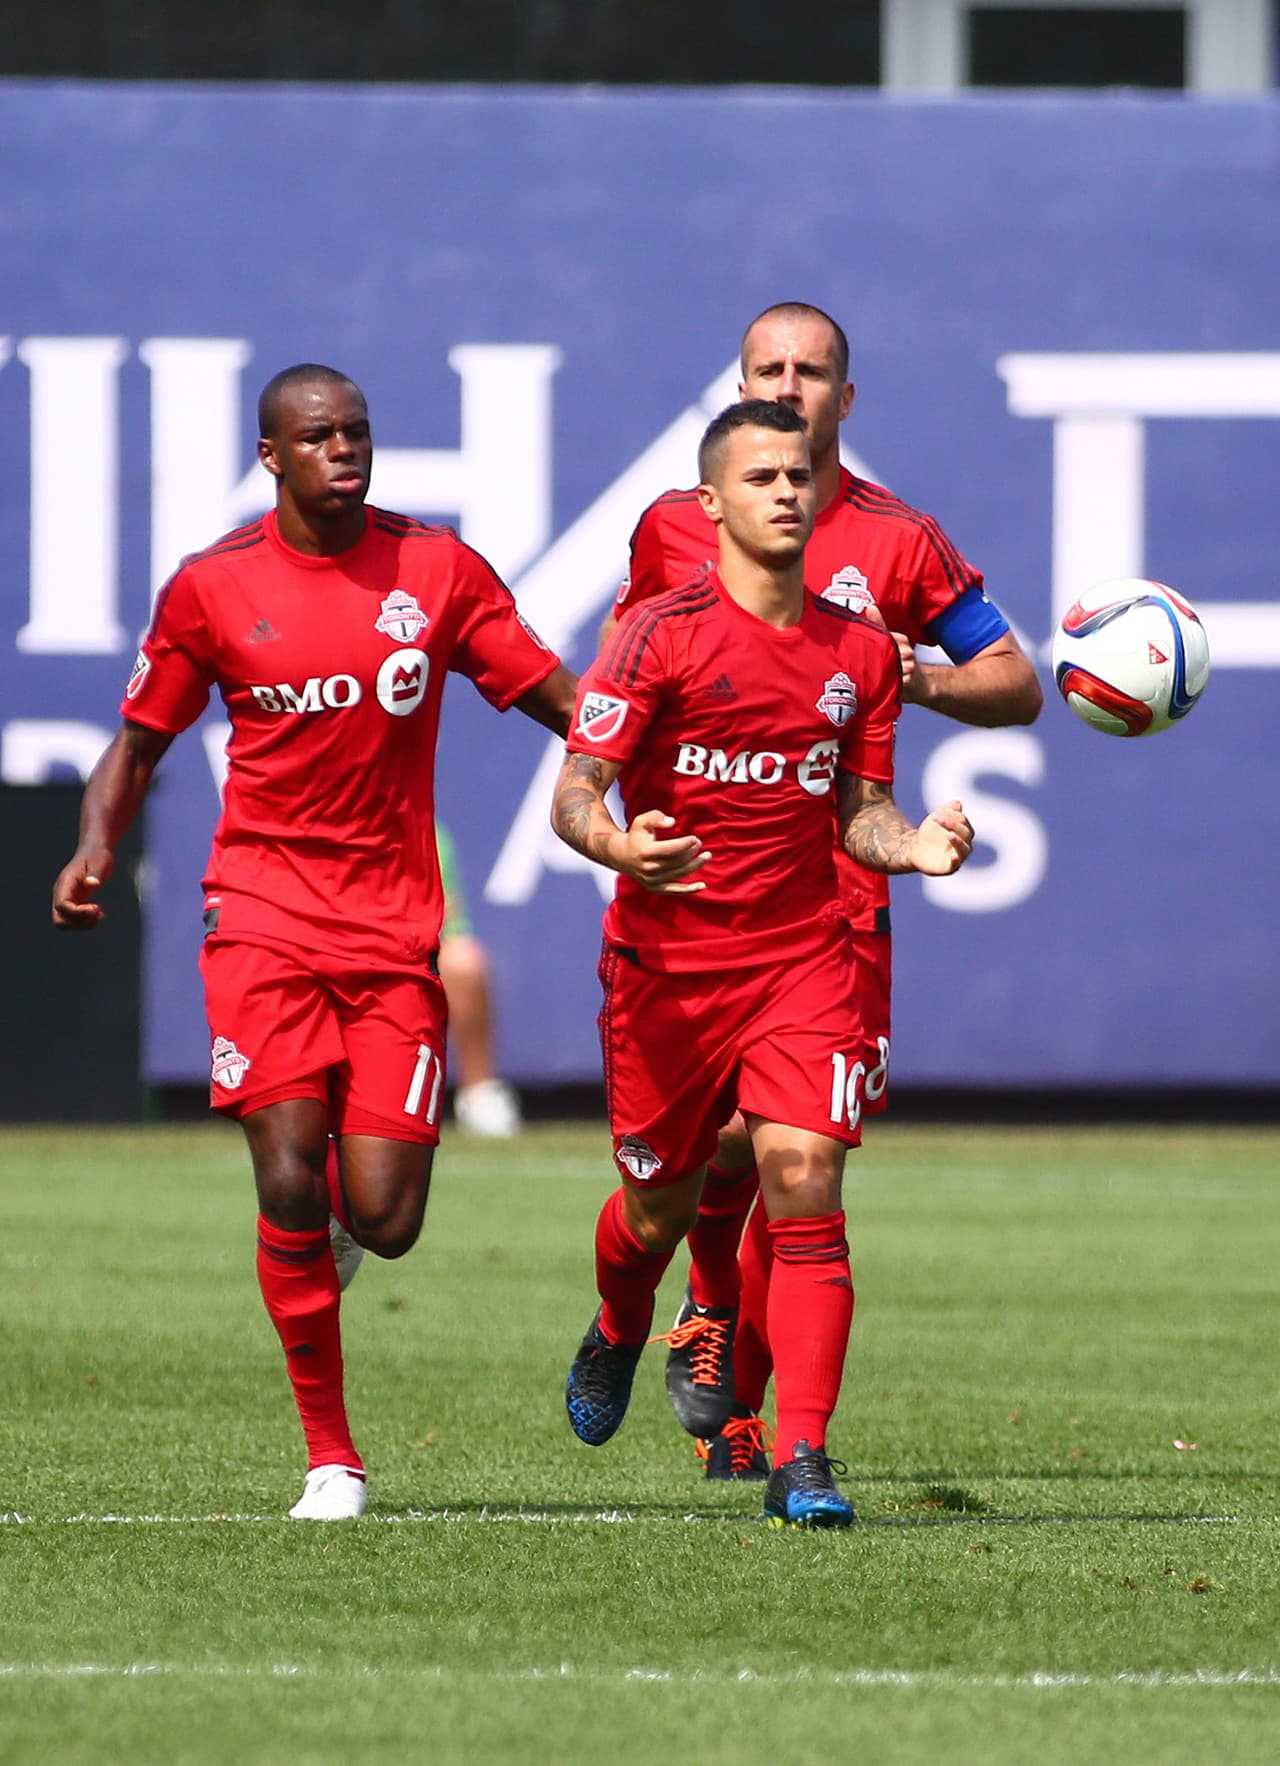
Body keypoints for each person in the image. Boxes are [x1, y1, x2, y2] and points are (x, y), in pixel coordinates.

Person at [52, 364, 576, 1520]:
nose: (346, 449)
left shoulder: (434, 570)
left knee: (383, 1219)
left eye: (358, 432)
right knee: (286, 1167)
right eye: (319, 435)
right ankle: (331, 1456)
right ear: (271, 455)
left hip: (394, 928)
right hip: (261, 913)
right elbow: (137, 742)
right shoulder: (212, 588)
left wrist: (649, 749)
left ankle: (329, 1229)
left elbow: (552, 693)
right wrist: (95, 841)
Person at [603, 303, 1042, 1481]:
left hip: (831, 903)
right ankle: (695, 1310)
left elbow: (1018, 680)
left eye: (811, 372)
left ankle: (767, 1427)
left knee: (791, 1157)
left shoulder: (900, 543)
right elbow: (625, 675)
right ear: (736, 384)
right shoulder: (671, 529)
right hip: (695, 907)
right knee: (715, 1156)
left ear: (846, 399)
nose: (788, 386)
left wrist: (923, 676)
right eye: (767, 369)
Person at [552, 399, 974, 1526]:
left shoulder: (856, 652)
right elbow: (575, 794)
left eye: (798, 476)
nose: (786, 493)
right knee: (657, 1208)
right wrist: (617, 843)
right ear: (711, 503)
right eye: (760, 478)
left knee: (804, 1178)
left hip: (801, 959)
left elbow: (860, 810)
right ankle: (619, 1321)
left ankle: (802, 1457)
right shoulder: (655, 632)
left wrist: (913, 846)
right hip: (667, 971)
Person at [436, 823, 523, 1138]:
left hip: (406, 951)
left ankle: (478, 1095)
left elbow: (448, 925)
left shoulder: (427, 832)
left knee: (463, 961)